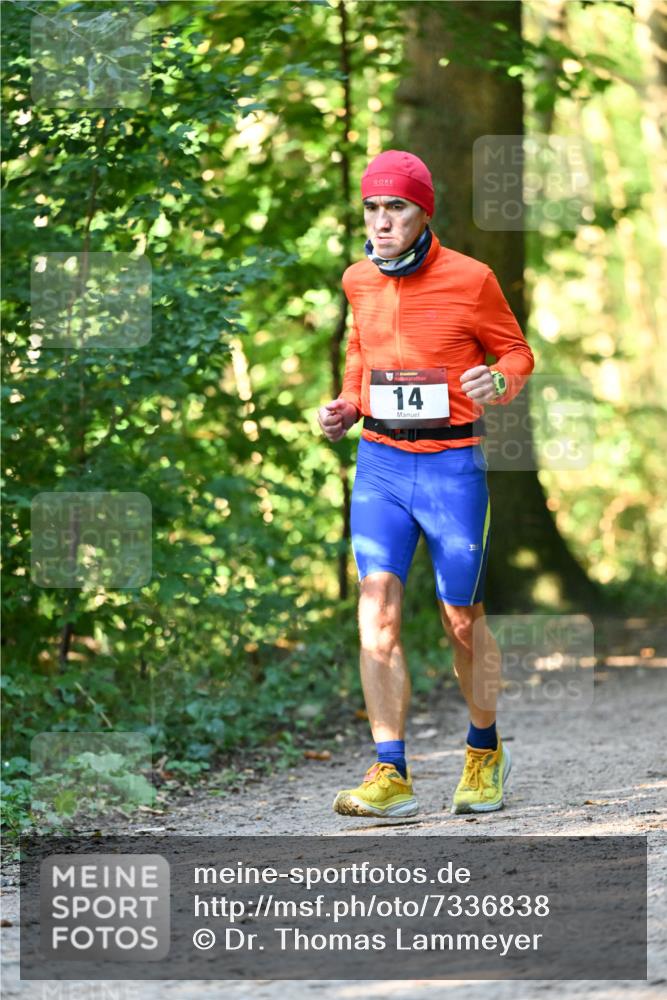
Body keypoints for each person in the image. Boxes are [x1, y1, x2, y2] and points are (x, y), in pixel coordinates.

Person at [318, 149, 535, 818]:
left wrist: (497, 381)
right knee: (375, 611)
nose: (381, 222)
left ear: (422, 213)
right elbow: (361, 353)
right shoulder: (357, 280)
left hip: (450, 467)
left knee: (460, 619)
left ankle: (482, 749)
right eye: (372, 208)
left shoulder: (471, 279)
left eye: (396, 208)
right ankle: (391, 773)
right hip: (380, 465)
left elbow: (515, 352)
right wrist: (347, 404)